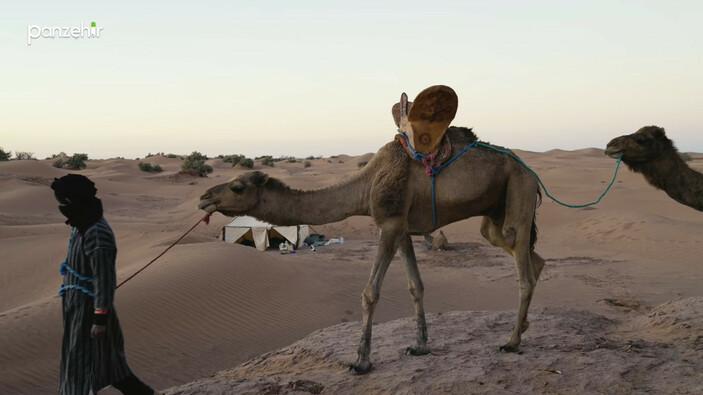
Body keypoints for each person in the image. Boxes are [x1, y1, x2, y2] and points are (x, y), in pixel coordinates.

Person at [52, 174, 158, 395]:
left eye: (63, 202)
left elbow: (104, 279)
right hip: (77, 308)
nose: (61, 206)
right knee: (111, 368)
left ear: (73, 201)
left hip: (89, 312)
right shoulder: (81, 225)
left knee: (80, 368)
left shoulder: (97, 234)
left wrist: (100, 317)